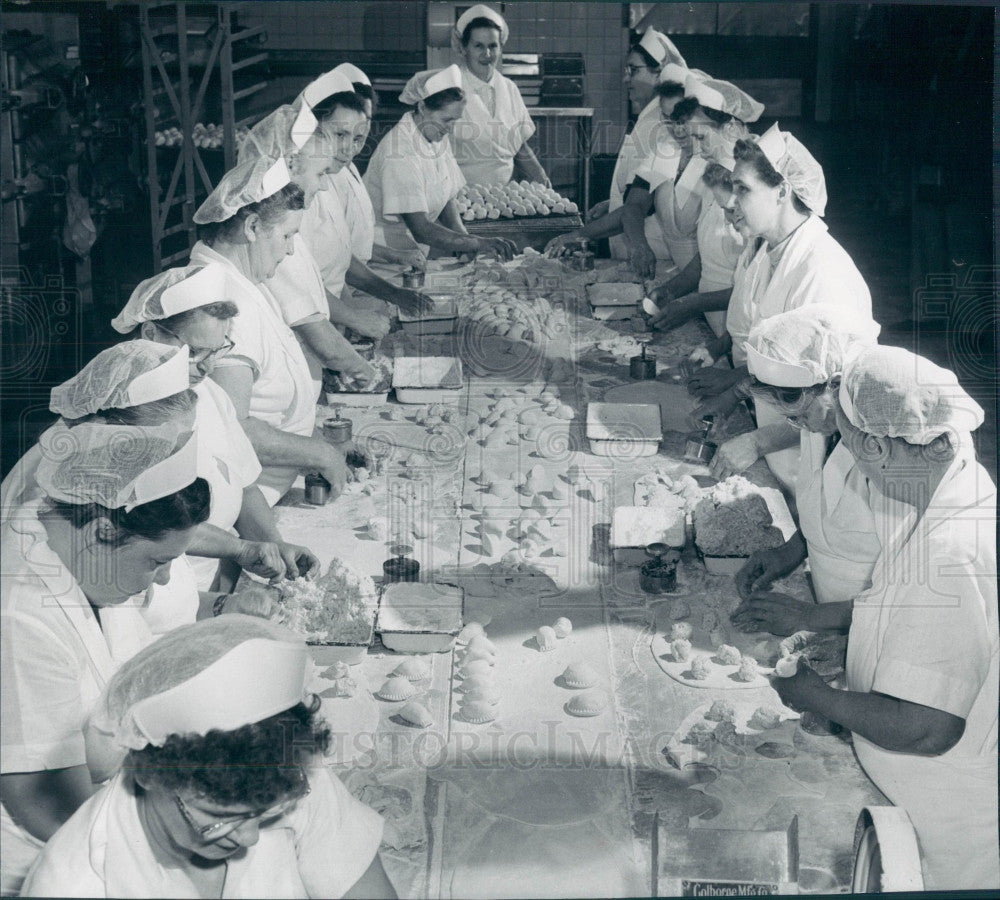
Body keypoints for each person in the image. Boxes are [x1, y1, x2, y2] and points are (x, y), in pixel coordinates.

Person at [732, 347, 997, 891]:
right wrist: (863, 645)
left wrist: (817, 697)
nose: (856, 467)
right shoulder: (948, 489)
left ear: (877, 445)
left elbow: (929, 728)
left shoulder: (950, 551)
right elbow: (905, 609)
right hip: (909, 787)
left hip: (942, 816)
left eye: (852, 449)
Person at [23, 615, 396, 898]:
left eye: (264, 814)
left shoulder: (287, 776)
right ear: (149, 774)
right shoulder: (72, 883)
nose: (248, 837)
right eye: (218, 818)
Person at [0, 422, 211, 894]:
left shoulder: (73, 543)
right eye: (157, 562)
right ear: (101, 531)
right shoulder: (17, 614)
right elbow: (41, 801)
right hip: (47, 856)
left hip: (114, 802)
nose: (160, 581)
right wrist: (165, 862)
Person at [114, 265, 320, 592]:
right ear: (150, 335)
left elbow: (244, 484)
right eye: (194, 352)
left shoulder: (209, 393)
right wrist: (240, 549)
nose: (208, 367)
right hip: (156, 591)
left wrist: (274, 544)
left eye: (217, 350)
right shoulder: (125, 412)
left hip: (215, 582)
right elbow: (153, 521)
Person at [690, 123, 873, 489]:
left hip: (815, 457)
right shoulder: (766, 251)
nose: (733, 200)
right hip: (775, 436)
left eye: (743, 189)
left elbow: (837, 404)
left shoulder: (822, 271)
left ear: (782, 191)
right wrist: (733, 395)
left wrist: (758, 442)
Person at [190, 156, 352, 506]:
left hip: (275, 486)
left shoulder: (245, 278)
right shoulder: (222, 304)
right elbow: (234, 427)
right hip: (245, 504)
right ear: (251, 228)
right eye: (287, 235)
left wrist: (321, 440)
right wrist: (319, 454)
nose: (291, 249)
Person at [719, 305, 882, 605]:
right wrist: (789, 552)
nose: (797, 427)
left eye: (800, 415)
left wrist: (808, 617)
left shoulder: (884, 448)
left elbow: (905, 589)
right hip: (826, 596)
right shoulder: (821, 422)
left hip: (873, 618)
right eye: (790, 419)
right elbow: (826, 513)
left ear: (834, 386)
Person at [236, 75, 392, 357]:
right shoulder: (283, 204)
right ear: (312, 131)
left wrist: (351, 320)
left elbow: (333, 266)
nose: (347, 148)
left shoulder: (324, 179)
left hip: (327, 332)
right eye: (339, 134)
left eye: (357, 138)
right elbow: (294, 293)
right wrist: (353, 324)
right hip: (300, 338)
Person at [640, 74, 763, 330]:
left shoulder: (756, 190)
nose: (697, 151)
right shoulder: (715, 175)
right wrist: (673, 290)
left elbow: (758, 286)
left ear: (730, 128)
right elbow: (709, 253)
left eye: (701, 138)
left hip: (741, 326)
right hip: (713, 317)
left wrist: (693, 304)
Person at [363, 64, 515, 260]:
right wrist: (477, 243)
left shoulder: (434, 136)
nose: (450, 129)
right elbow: (421, 229)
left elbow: (447, 196)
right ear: (422, 107)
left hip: (412, 251)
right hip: (384, 253)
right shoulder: (399, 152)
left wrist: (465, 241)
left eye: (455, 120)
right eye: (446, 120)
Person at [544, 62, 690, 263]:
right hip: (668, 265)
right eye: (667, 119)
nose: (675, 128)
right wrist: (579, 235)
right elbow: (635, 205)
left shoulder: (711, 160)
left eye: (682, 118)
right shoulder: (664, 150)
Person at [329, 63, 425, 271]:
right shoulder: (324, 175)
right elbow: (331, 255)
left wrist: (395, 256)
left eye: (367, 118)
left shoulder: (348, 167)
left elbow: (355, 244)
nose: (360, 128)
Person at [449, 4, 549, 187]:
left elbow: (519, 145)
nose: (487, 54)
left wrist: (540, 175)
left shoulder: (509, 88)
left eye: (493, 46)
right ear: (464, 48)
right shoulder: (450, 88)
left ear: (500, 48)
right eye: (478, 46)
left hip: (502, 197)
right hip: (460, 196)